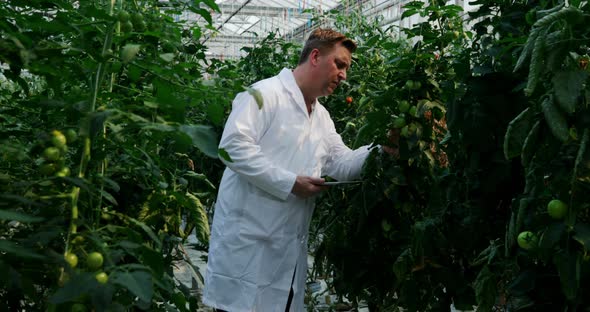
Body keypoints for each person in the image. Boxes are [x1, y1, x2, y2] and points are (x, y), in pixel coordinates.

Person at [202, 28, 392, 312]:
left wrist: (384, 149)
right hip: (247, 253)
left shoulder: (321, 116)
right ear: (315, 56)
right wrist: (290, 183)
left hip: (286, 256)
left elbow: (341, 163)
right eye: (339, 64)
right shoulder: (264, 94)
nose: (344, 75)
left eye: (346, 68)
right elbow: (232, 147)